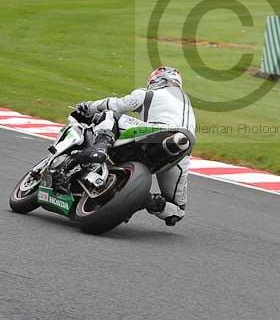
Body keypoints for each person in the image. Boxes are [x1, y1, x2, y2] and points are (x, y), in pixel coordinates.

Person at [71, 67, 195, 226]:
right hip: (182, 152)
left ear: (157, 80)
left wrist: (88, 107)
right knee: (177, 211)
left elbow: (117, 105)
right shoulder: (188, 105)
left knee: (110, 115)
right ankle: (147, 201)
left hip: (159, 131)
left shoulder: (149, 93)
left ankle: (100, 148)